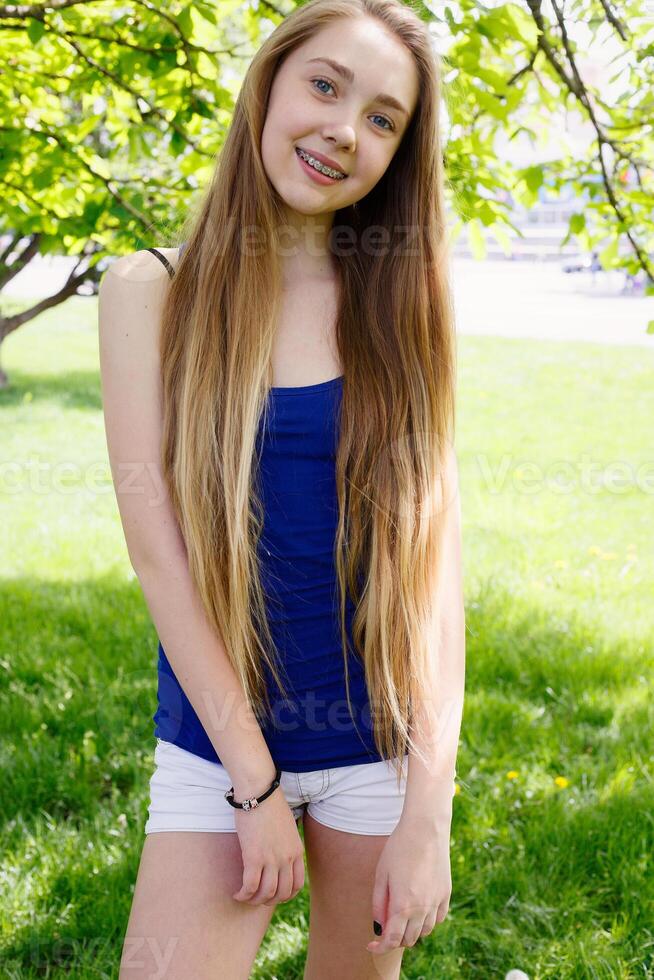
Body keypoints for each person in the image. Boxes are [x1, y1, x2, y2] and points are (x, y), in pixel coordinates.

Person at [98, 1, 465, 977]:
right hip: (219, 744)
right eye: (327, 85)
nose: (346, 129)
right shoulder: (150, 290)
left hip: (371, 747)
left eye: (384, 118)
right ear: (269, 83)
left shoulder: (403, 302)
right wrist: (253, 788)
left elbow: (436, 575)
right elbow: (158, 553)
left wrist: (427, 813)